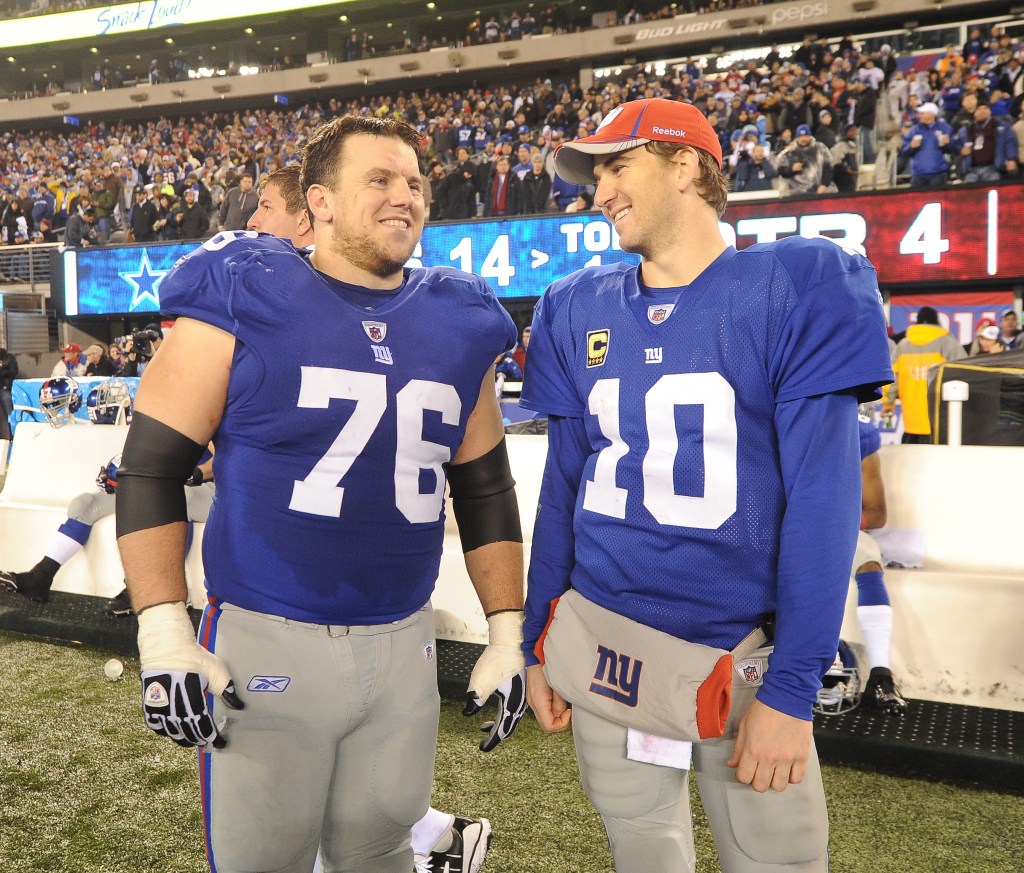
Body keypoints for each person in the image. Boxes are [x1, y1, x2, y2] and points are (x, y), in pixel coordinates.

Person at [114, 114, 528, 873]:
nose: (405, 195)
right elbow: (149, 469)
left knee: (380, 853)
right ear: (321, 201)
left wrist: (506, 633)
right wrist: (163, 633)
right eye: (380, 179)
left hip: (405, 645)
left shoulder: (460, 317)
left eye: (414, 182)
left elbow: (485, 485)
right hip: (269, 640)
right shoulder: (247, 287)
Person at [520, 98, 892, 873]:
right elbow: (563, 490)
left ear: (686, 164)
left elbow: (825, 505)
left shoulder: (797, 281)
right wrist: (535, 641)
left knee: (778, 859)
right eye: (595, 174)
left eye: (617, 165)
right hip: (606, 643)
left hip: (745, 656)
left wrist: (793, 689)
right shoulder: (573, 305)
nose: (599, 191)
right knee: (641, 849)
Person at [247, 161, 498, 872]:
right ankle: (443, 834)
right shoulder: (279, 297)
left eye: (265, 207)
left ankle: (440, 833)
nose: (254, 222)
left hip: (356, 593)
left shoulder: (313, 306)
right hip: (323, 585)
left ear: (309, 215)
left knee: (339, 797)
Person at [850, 413, 906, 715]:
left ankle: (881, 677)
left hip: (833, 530)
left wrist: (839, 521)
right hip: (775, 530)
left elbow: (876, 511)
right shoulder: (774, 418)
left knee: (868, 559)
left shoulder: (857, 433)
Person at [885, 306, 966, 443]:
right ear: (937, 321)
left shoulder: (903, 346)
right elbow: (965, 372)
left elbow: (891, 378)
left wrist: (888, 405)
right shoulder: (948, 343)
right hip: (940, 420)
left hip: (911, 423)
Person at [900, 102, 955, 188]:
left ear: (932, 114)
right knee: (918, 201)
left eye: (922, 113)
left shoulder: (944, 128)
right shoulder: (914, 130)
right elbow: (903, 151)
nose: (919, 116)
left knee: (938, 200)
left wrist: (947, 144)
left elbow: (953, 148)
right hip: (918, 174)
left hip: (938, 173)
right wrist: (911, 146)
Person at [0, 345, 18, 442]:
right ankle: (5, 439)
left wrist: (2, 370)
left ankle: (13, 436)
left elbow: (13, 371)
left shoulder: (8, 357)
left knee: (10, 414)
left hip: (5, 389)